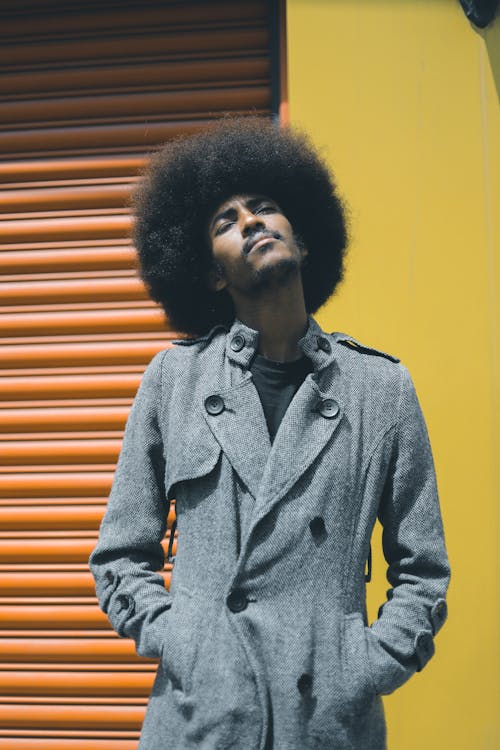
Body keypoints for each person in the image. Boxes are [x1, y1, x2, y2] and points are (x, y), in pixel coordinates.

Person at [89, 117, 450, 750]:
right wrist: (185, 641)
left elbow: (423, 570)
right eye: (225, 221)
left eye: (265, 208)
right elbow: (120, 556)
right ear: (212, 275)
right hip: (203, 720)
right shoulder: (174, 380)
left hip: (326, 725)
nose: (251, 221)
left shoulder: (381, 389)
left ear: (304, 242)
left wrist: (363, 667)